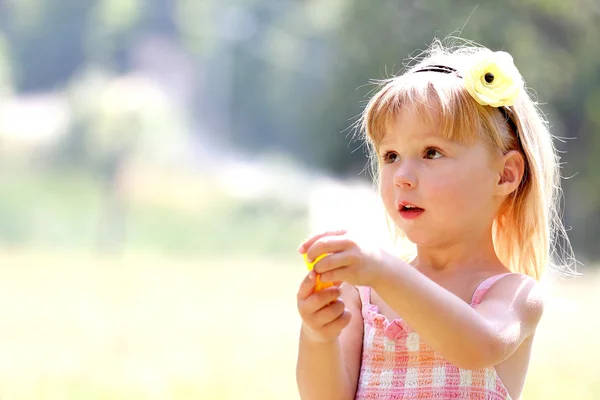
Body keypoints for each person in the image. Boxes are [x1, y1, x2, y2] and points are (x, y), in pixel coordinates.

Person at [295, 40, 575, 400]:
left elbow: (477, 347)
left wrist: (383, 270)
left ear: (505, 175)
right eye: (391, 155)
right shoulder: (363, 294)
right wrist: (319, 336)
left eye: (431, 152)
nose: (401, 176)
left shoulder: (512, 293)